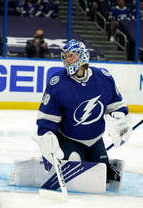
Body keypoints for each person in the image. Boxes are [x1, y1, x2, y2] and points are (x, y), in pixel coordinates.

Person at [35, 39, 132, 185]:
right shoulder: (57, 82)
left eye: (71, 56)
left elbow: (116, 105)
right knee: (75, 165)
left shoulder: (104, 77)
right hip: (69, 139)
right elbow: (47, 117)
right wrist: (47, 136)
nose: (67, 60)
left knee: (102, 175)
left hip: (95, 139)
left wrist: (120, 119)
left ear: (83, 56)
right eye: (65, 56)